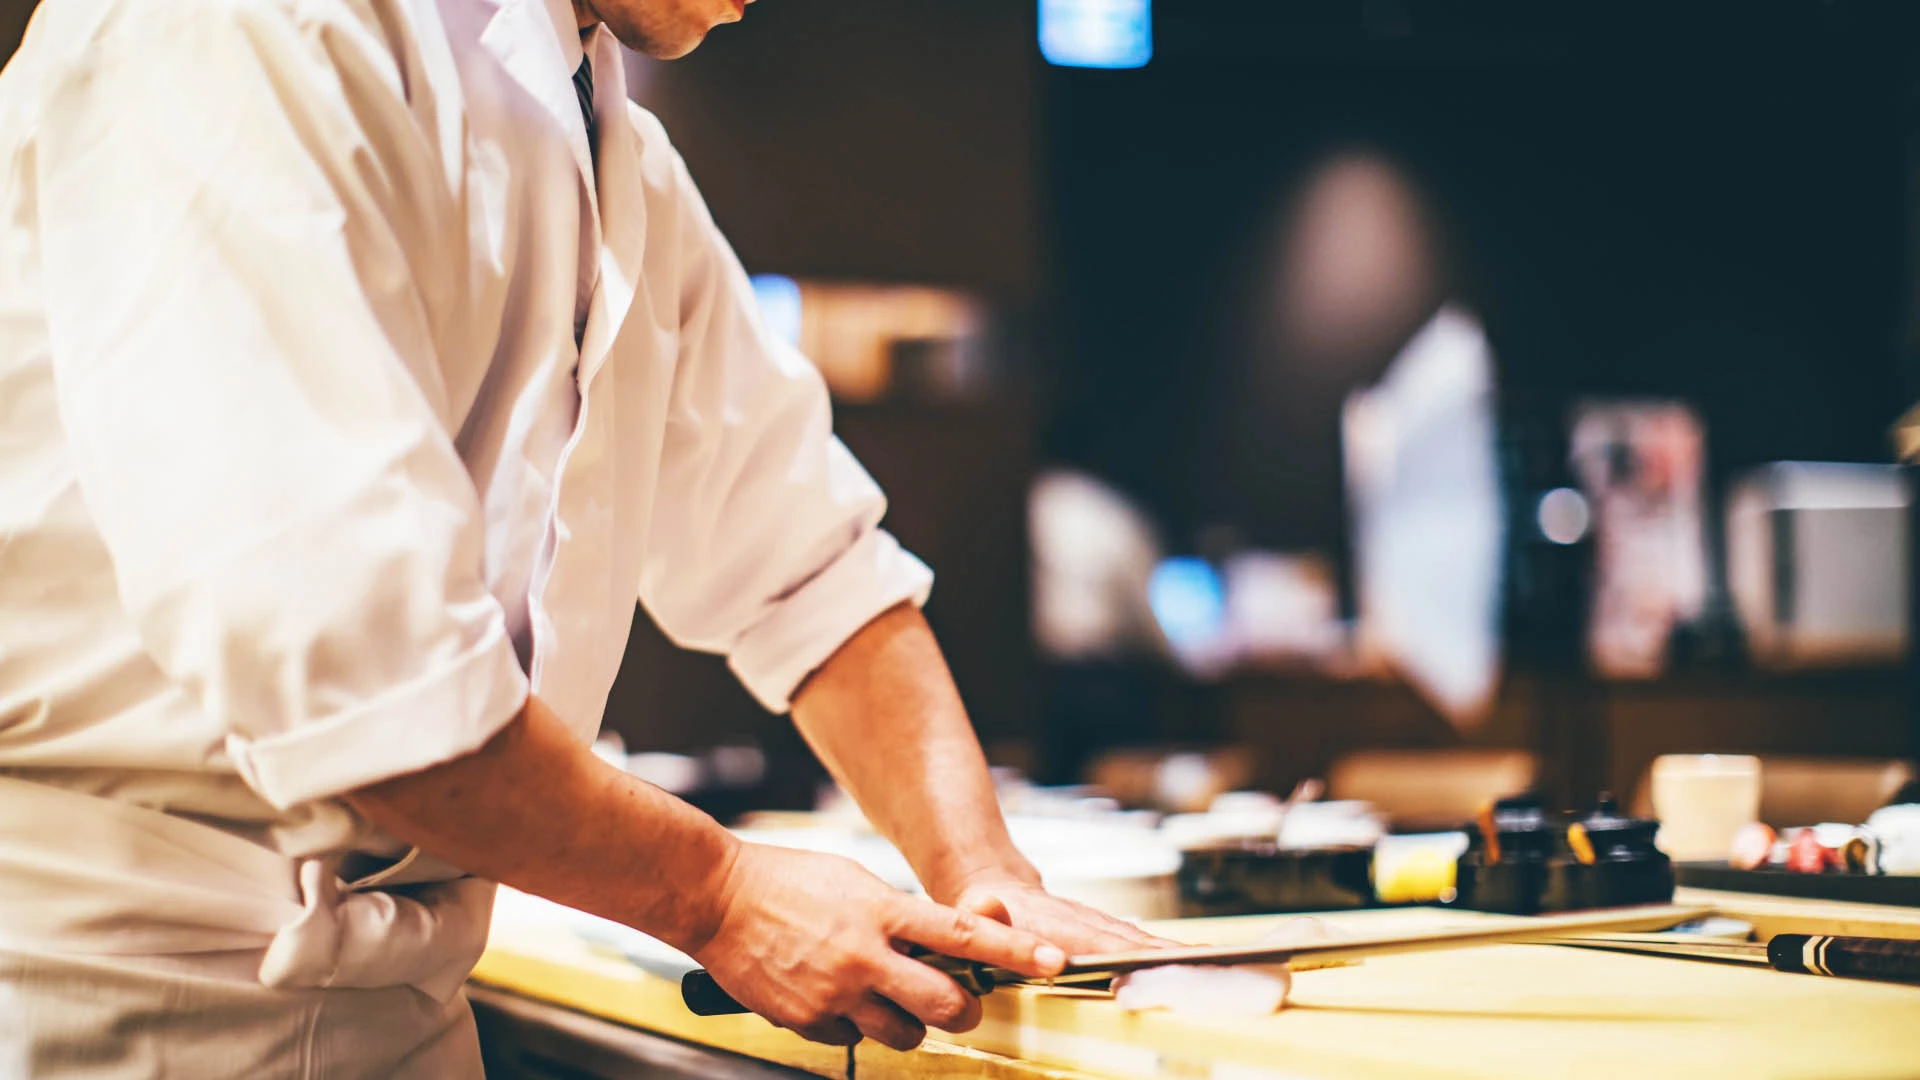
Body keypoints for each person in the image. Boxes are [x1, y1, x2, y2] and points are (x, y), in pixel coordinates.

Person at [0, 0, 1165, 1073]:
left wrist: (983, 876)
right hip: (107, 997)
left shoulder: (609, 147)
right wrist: (717, 893)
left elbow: (815, 573)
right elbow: (357, 674)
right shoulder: (226, 30)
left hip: (401, 1014)